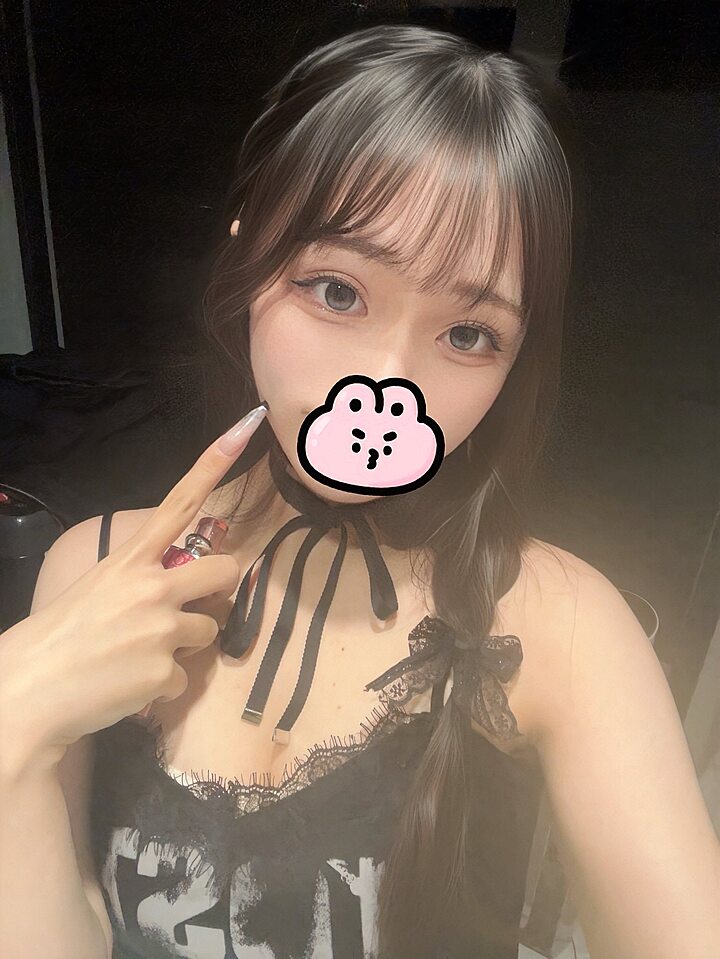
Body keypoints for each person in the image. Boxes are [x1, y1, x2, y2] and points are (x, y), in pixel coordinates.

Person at [1, 22, 718, 959]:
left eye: (469, 335)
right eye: (337, 291)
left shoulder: (561, 622)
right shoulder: (90, 569)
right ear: (247, 260)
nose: (385, 384)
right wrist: (12, 719)